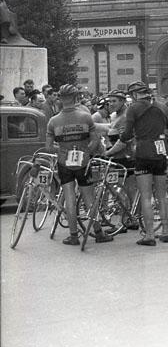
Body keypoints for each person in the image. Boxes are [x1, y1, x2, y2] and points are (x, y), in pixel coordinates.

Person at [45, 84, 113, 245]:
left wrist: (63, 150)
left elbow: (48, 147)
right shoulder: (85, 117)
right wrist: (86, 151)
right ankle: (98, 233)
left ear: (61, 99)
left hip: (64, 163)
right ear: (76, 98)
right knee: (89, 199)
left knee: (69, 199)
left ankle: (74, 235)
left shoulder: (53, 121)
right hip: (83, 162)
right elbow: (95, 140)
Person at [117, 81, 168, 245]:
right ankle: (165, 232)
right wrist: (165, 143)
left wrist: (122, 137)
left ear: (135, 95)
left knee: (146, 196)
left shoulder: (133, 108)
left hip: (143, 152)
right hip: (161, 153)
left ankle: (150, 235)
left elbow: (127, 134)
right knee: (162, 195)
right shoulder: (161, 107)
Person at [103, 90, 138, 233]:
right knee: (125, 191)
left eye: (114, 101)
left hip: (125, 158)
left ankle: (124, 222)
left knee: (121, 191)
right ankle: (131, 219)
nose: (111, 104)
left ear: (123, 101)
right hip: (118, 158)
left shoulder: (125, 117)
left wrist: (107, 153)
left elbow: (124, 141)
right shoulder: (115, 116)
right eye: (109, 101)